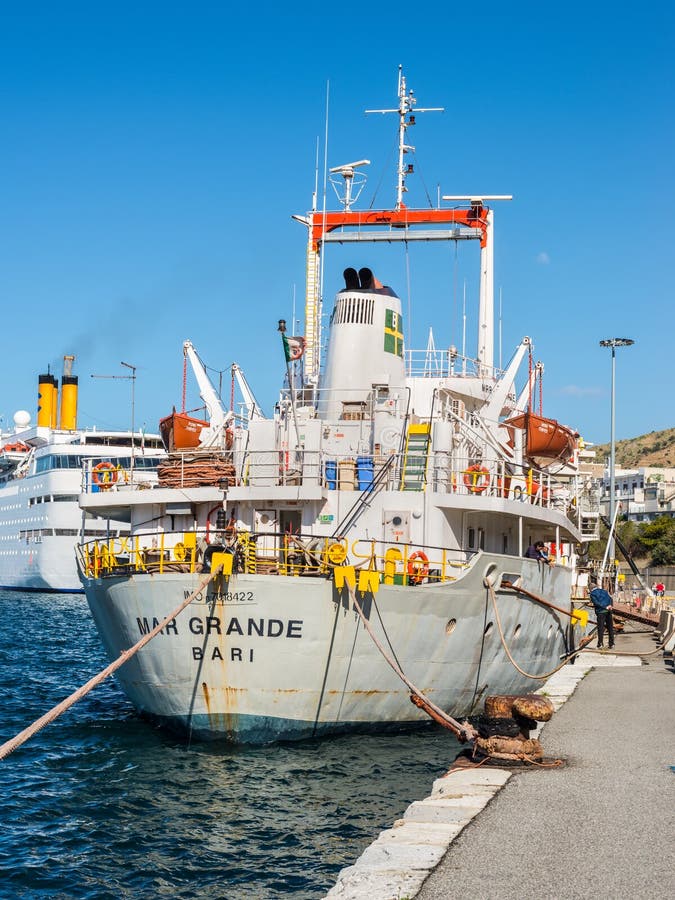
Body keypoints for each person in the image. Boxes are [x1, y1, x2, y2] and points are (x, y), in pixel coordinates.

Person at [589, 577, 615, 649]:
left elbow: (596, 603)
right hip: (609, 611)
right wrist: (610, 606)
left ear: (590, 589)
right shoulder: (604, 591)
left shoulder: (592, 594)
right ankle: (612, 643)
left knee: (600, 628)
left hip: (601, 612)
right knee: (610, 628)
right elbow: (610, 599)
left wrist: (604, 607)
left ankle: (600, 644)